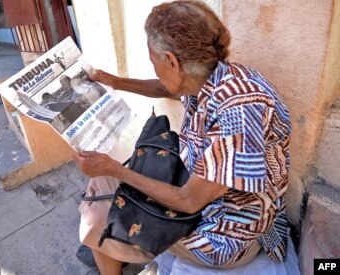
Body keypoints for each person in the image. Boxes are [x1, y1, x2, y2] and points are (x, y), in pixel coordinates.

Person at [73, 1, 292, 274]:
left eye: (154, 61)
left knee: (97, 217)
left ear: (172, 62)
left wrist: (113, 168)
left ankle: (109, 251)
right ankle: (108, 247)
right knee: (102, 184)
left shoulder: (237, 115)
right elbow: (167, 88)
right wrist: (117, 82)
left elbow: (189, 200)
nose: (154, 68)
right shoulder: (212, 74)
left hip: (224, 230)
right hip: (197, 184)